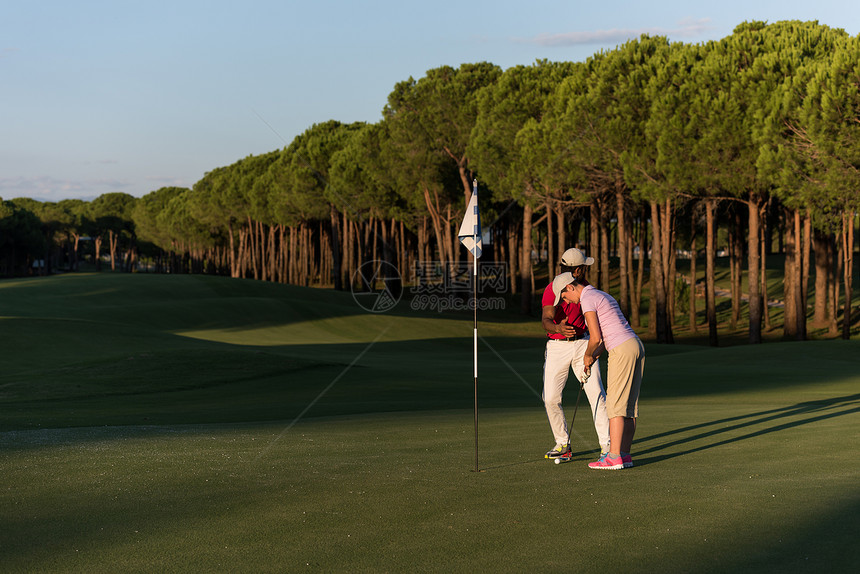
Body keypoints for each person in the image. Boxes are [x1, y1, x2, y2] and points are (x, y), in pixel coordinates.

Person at [555, 273, 645, 470]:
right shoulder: (601, 295)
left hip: (621, 349)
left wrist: (587, 355)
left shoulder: (587, 299)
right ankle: (625, 455)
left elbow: (595, 338)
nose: (566, 301)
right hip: (635, 345)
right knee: (628, 407)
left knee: (614, 406)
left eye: (563, 297)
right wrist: (594, 356)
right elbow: (604, 338)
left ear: (570, 287)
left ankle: (613, 457)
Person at [541, 248, 610, 460]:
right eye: (585, 267)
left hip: (583, 344)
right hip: (557, 346)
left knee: (596, 394)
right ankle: (563, 444)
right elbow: (546, 320)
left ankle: (607, 447)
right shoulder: (552, 289)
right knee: (551, 397)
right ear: (579, 269)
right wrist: (557, 328)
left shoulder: (589, 291)